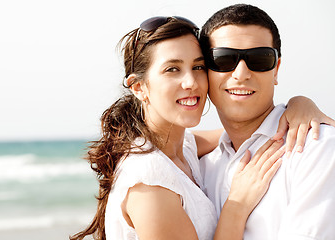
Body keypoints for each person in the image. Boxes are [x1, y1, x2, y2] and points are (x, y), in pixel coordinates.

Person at [70, 16, 332, 240]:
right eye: (172, 69)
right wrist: (236, 206)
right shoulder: (150, 182)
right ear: (139, 87)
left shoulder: (183, 149)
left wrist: (299, 107)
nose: (191, 82)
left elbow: (248, 133)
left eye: (197, 67)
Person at [200, 4, 335, 239]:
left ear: (276, 69)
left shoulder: (318, 148)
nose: (241, 73)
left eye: (259, 58)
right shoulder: (199, 167)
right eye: (223, 59)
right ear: (204, 71)